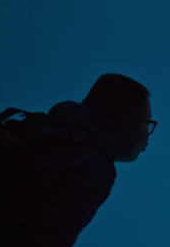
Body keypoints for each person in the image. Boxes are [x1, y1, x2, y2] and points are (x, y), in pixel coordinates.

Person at [25, 73, 156, 246]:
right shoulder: (93, 168)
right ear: (126, 126)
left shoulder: (50, 126)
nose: (148, 135)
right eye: (147, 123)